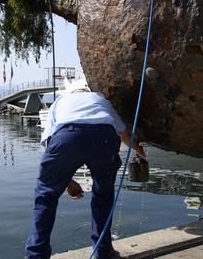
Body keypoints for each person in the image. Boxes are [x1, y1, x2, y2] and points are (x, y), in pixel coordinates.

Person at [25, 80, 145, 259]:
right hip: (104, 137)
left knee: (46, 196)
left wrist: (67, 182)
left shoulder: (59, 103)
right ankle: (103, 251)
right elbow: (124, 134)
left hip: (67, 137)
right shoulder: (100, 99)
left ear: (70, 92)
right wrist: (140, 151)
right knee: (103, 195)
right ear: (87, 90)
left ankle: (36, 255)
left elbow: (50, 143)